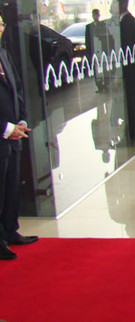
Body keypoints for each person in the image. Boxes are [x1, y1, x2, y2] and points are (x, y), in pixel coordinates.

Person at [0, 14, 37, 260]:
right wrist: (5, 127)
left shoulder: (3, 54)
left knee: (12, 186)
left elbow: (17, 89)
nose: (2, 28)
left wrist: (21, 119)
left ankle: (10, 230)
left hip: (14, 134)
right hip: (3, 132)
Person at [113, 0, 135, 143]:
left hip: (131, 72)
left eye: (114, 2)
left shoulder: (129, 22)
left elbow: (130, 51)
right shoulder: (121, 21)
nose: (111, 6)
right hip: (128, 72)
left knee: (133, 102)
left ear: (122, 4)